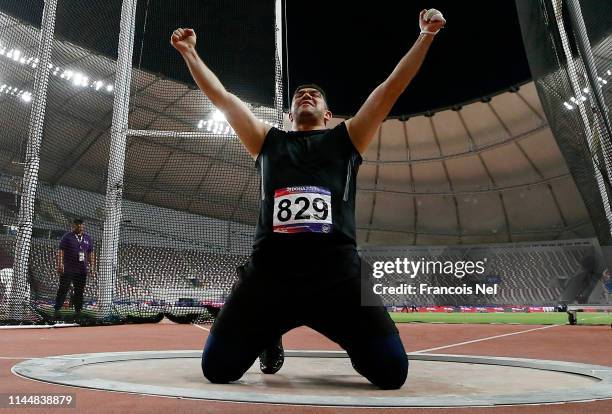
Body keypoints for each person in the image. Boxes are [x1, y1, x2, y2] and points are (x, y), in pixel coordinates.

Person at [171, 9, 445, 389]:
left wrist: (425, 35)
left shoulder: (348, 138)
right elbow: (224, 99)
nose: (306, 94)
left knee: (391, 374)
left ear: (328, 114)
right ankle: (270, 333)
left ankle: (348, 337)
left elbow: (390, 89)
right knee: (217, 370)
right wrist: (189, 52)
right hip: (268, 278)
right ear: (290, 112)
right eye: (300, 93)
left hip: (341, 277)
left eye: (315, 94)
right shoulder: (267, 141)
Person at [54, 218, 95, 320]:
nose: (79, 226)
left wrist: (92, 266)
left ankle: (78, 311)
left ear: (83, 225)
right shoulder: (67, 237)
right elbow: (61, 251)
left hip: (82, 270)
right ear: (73, 226)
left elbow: (90, 253)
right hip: (68, 268)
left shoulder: (88, 238)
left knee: (79, 291)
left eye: (80, 225)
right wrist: (60, 264)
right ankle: (57, 310)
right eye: (77, 225)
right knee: (63, 289)